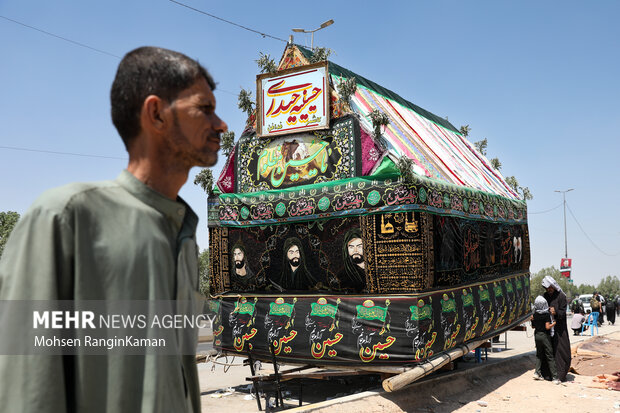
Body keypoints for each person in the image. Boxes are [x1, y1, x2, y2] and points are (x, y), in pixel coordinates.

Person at [0, 46, 227, 412]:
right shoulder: (67, 217)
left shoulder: (182, 235)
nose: (220, 124)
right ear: (156, 114)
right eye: (204, 109)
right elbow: (28, 389)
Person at [542, 276, 572, 382]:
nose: (548, 290)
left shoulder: (561, 296)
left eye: (550, 287)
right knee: (549, 351)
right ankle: (548, 374)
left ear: (553, 286)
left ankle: (560, 375)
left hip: (560, 329)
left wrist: (556, 312)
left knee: (561, 351)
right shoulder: (545, 296)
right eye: (547, 288)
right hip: (548, 328)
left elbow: (563, 313)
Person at [531, 296, 560, 384]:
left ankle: (537, 372)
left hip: (537, 335)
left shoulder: (534, 314)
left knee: (539, 354)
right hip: (544, 336)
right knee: (549, 356)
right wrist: (554, 323)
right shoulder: (546, 314)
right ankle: (555, 378)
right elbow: (547, 327)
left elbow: (533, 326)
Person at [336, 228, 366, 293]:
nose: (355, 251)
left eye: (359, 246)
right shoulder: (343, 275)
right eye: (351, 247)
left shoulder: (375, 269)